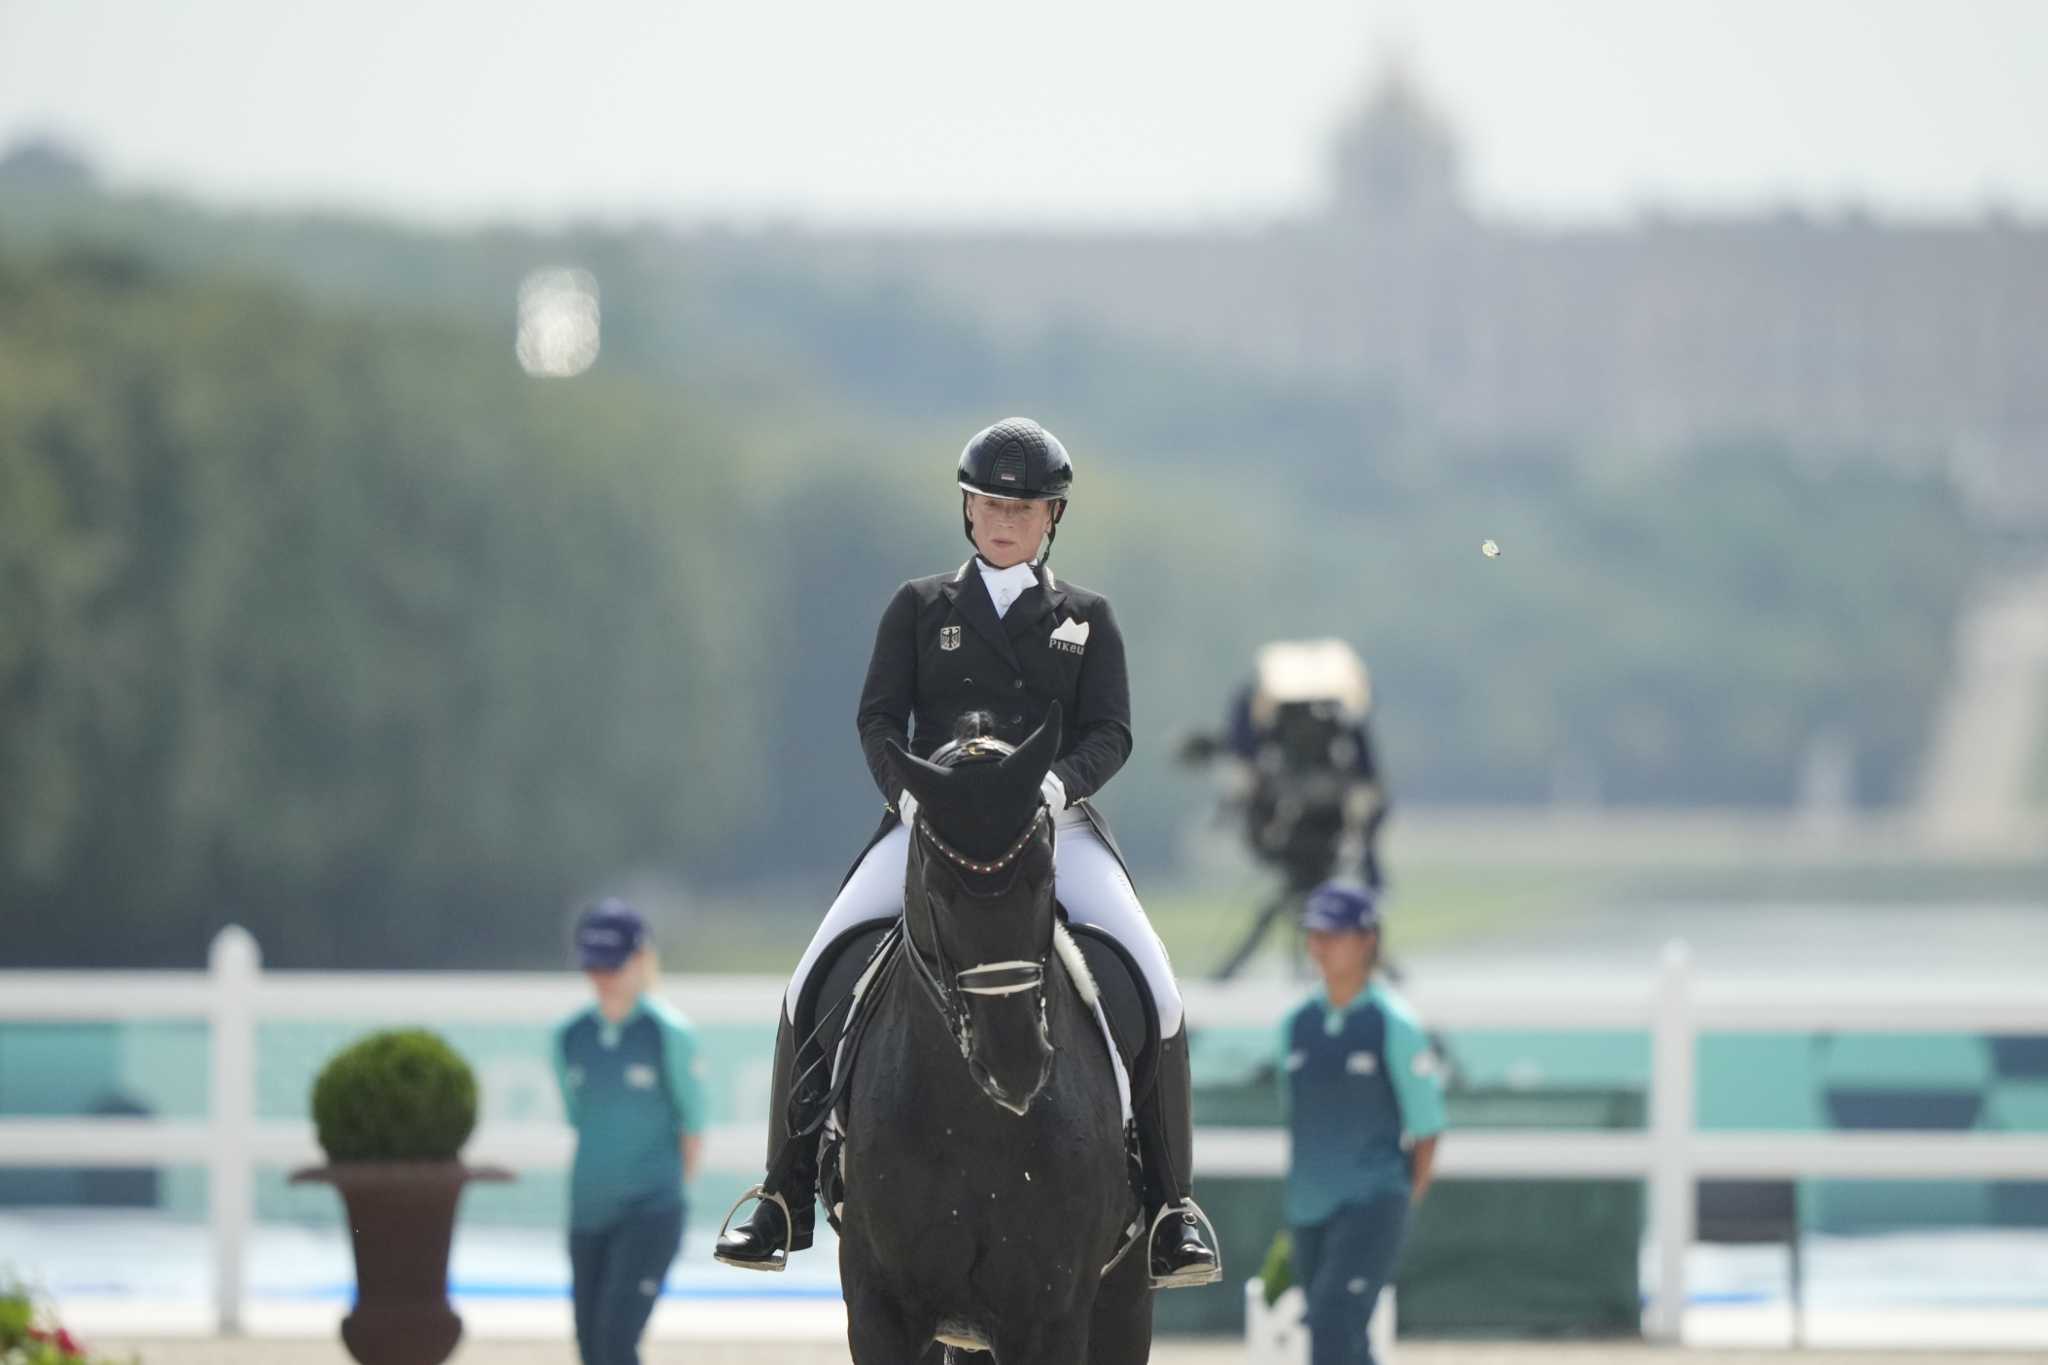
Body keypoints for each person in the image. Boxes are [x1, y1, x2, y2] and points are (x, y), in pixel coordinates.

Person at [714, 416, 1219, 1288]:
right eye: (988, 502)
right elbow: (878, 718)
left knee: (1155, 981)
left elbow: (1113, 731)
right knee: (812, 970)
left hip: (1052, 826)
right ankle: (784, 1190)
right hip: (932, 823)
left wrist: (1057, 787)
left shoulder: (1084, 618)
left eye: (1020, 507)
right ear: (967, 508)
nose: (1001, 519)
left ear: (1051, 516)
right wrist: (908, 796)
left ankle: (1173, 1206)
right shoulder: (919, 608)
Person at [1280, 880, 1445, 1365]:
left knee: (1332, 1322)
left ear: (1367, 940)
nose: (1320, 946)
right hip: (1309, 1209)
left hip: (1373, 1203)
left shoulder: (1396, 1024)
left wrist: (1396, 1203)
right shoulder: (1295, 1025)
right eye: (1314, 934)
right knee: (1343, 1336)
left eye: (1334, 934)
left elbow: (1428, 1127)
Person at [554, 899, 708, 1365]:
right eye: (593, 964)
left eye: (612, 962)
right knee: (590, 1347)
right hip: (587, 1212)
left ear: (640, 960)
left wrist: (663, 1197)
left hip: (650, 1211)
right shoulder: (569, 1036)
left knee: (617, 1344)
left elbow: (693, 1127)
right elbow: (580, 1116)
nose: (602, 975)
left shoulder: (669, 1034)